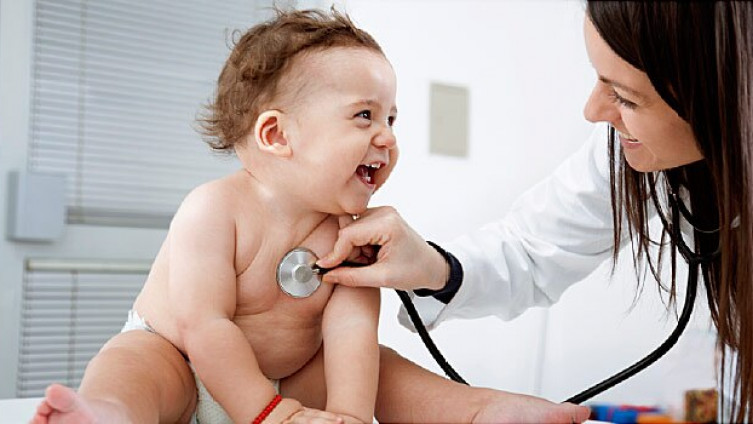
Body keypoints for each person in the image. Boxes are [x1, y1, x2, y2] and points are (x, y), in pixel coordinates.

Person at [31, 7, 590, 424]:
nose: (386, 137)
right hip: (187, 363)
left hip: (290, 380)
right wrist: (269, 414)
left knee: (380, 368)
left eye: (392, 119)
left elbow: (350, 332)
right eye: (365, 115)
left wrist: (347, 415)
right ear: (277, 135)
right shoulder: (214, 209)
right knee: (135, 365)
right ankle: (104, 415)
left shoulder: (352, 233)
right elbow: (204, 326)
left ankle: (478, 411)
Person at [316, 1, 753, 422]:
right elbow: (532, 247)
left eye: (625, 97)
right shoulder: (630, 152)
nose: (593, 111)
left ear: (721, 99)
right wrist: (435, 267)